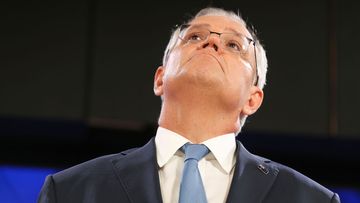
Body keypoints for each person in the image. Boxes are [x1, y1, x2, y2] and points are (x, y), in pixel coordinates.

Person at [38, 7, 340, 203]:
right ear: (160, 78)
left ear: (252, 98)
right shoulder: (70, 191)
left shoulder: (310, 199)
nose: (212, 43)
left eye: (234, 45)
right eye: (195, 36)